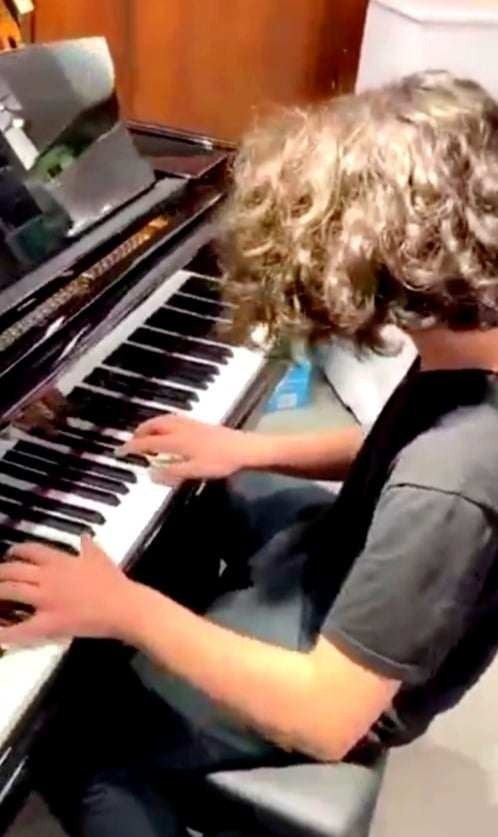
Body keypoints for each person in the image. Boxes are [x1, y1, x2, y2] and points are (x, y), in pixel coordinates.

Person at [2, 69, 498, 836]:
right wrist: (241, 448)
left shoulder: (453, 478)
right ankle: (169, 633)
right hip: (344, 549)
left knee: (78, 745)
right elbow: (392, 448)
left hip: (338, 678)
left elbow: (325, 718)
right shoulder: (469, 339)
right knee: (203, 496)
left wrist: (127, 609)